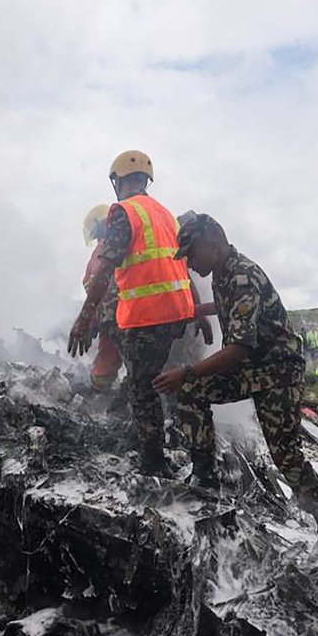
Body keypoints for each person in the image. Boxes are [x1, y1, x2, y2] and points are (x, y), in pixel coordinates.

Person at [153, 212, 318, 554]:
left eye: (192, 255)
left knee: (286, 455)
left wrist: (190, 371)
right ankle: (204, 476)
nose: (190, 264)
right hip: (252, 369)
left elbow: (239, 348)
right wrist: (198, 310)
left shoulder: (243, 275)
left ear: (212, 245)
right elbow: (228, 308)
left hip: (278, 373)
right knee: (192, 392)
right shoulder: (222, 272)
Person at [68, 150, 212, 477]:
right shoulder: (165, 213)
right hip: (176, 315)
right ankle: (201, 462)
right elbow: (181, 264)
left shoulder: (124, 212)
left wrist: (81, 320)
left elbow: (104, 269)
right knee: (170, 381)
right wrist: (196, 311)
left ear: (117, 181)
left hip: (147, 317)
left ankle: (153, 464)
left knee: (143, 391)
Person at [82, 204, 123, 391]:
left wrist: (89, 320)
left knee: (103, 370)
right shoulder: (110, 246)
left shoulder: (105, 248)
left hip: (113, 314)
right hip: (116, 313)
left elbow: (100, 283)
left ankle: (102, 396)